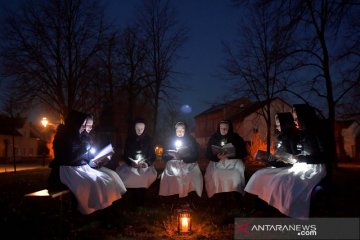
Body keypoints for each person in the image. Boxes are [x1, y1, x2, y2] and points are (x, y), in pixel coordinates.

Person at [245, 107, 327, 219]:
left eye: (297, 118)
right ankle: (267, 207)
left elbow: (324, 156)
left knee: (288, 181)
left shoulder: (316, 133)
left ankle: (287, 210)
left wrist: (299, 158)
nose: (295, 122)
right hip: (302, 164)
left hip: (313, 168)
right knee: (274, 177)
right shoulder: (302, 134)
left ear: (305, 117)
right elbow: (298, 154)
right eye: (294, 119)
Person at [48, 110, 126, 215]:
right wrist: (84, 149)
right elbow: (66, 158)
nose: (85, 127)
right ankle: (95, 211)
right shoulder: (63, 136)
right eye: (83, 124)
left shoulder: (83, 136)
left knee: (105, 179)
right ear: (75, 123)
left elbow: (86, 156)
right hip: (67, 170)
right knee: (94, 182)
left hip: (82, 167)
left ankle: (107, 211)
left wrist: (95, 161)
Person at [116, 118, 157, 207]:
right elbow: (126, 155)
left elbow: (152, 156)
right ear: (134, 128)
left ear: (145, 128)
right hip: (131, 165)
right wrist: (131, 163)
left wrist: (146, 163)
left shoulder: (149, 139)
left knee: (143, 177)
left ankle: (141, 201)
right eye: (137, 128)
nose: (139, 131)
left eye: (142, 129)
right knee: (130, 176)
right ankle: (131, 200)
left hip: (145, 165)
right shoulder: (130, 139)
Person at [204, 119, 248, 201]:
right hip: (218, 162)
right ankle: (218, 196)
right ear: (219, 128)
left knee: (235, 175)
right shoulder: (213, 138)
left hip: (234, 163)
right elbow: (208, 154)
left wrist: (231, 155)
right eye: (222, 128)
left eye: (226, 128)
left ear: (230, 128)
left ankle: (234, 196)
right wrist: (217, 157)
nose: (224, 130)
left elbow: (244, 153)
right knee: (216, 174)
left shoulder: (236, 138)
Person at [159, 122, 203, 201]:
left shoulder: (191, 140)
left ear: (185, 131)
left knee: (191, 176)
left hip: (188, 163)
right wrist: (172, 155)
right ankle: (173, 198)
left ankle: (189, 198)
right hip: (173, 165)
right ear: (175, 130)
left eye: (182, 130)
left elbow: (195, 155)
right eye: (178, 130)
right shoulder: (170, 140)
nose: (180, 132)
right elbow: (164, 155)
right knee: (172, 177)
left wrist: (185, 158)